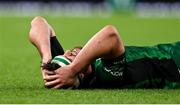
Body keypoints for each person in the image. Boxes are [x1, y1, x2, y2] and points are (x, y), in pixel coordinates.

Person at [29, 16, 180, 89]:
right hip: (175, 63)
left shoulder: (74, 67)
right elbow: (111, 34)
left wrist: (46, 59)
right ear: (80, 74)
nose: (69, 51)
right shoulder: (104, 74)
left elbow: (38, 22)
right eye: (70, 56)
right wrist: (73, 68)